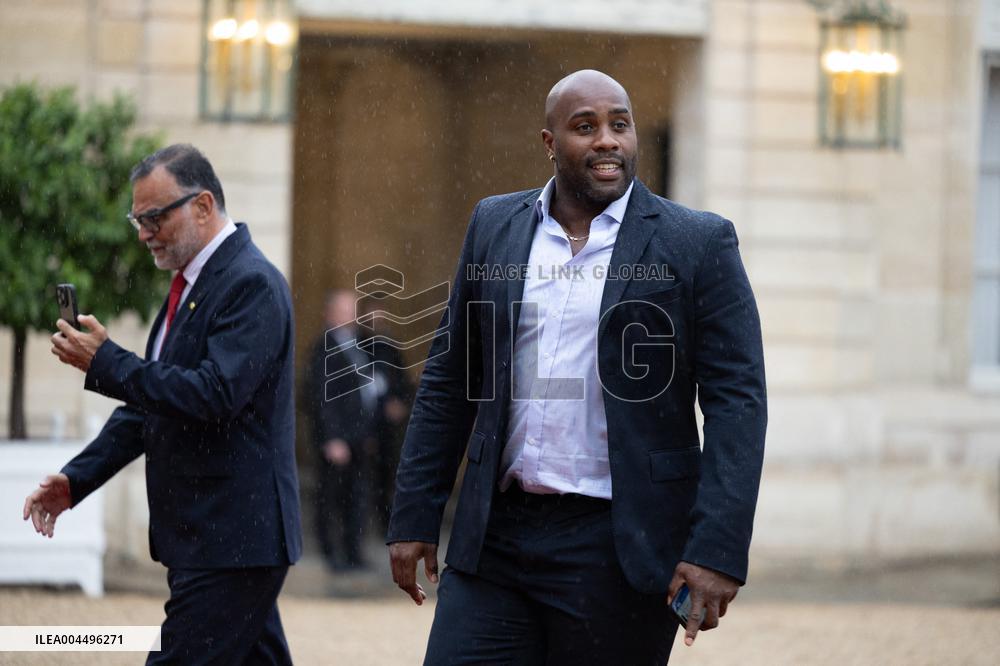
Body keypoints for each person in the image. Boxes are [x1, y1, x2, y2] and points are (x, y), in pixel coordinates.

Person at [387, 70, 767, 664]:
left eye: (620, 124)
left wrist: (717, 547)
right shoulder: (495, 225)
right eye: (585, 127)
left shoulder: (697, 243)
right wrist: (414, 513)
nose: (608, 140)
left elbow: (737, 404)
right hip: (497, 538)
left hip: (620, 546)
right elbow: (449, 378)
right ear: (549, 143)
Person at [23, 144, 302, 665]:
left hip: (234, 542)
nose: (144, 232)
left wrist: (108, 362)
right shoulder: (192, 286)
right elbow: (148, 408)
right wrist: (77, 479)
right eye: (138, 219)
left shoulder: (250, 283)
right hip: (219, 539)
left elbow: (214, 394)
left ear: (201, 206)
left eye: (154, 217)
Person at [303, 289, 378, 571]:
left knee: (357, 499)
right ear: (330, 313)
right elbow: (320, 398)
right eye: (344, 309)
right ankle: (331, 554)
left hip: (359, 437)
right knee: (331, 498)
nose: (350, 316)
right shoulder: (323, 348)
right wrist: (331, 437)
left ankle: (353, 553)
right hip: (337, 439)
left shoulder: (360, 344)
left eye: (353, 310)